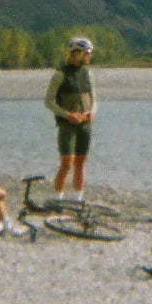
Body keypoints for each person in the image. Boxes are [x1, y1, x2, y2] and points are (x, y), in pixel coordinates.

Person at [43, 36, 97, 203]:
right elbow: (49, 101)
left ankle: (78, 198)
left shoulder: (88, 74)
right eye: (86, 53)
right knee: (67, 162)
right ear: (76, 53)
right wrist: (67, 115)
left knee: (81, 162)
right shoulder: (60, 74)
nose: (89, 56)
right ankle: (58, 198)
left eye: (89, 53)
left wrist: (93, 112)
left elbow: (94, 99)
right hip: (67, 125)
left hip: (85, 124)